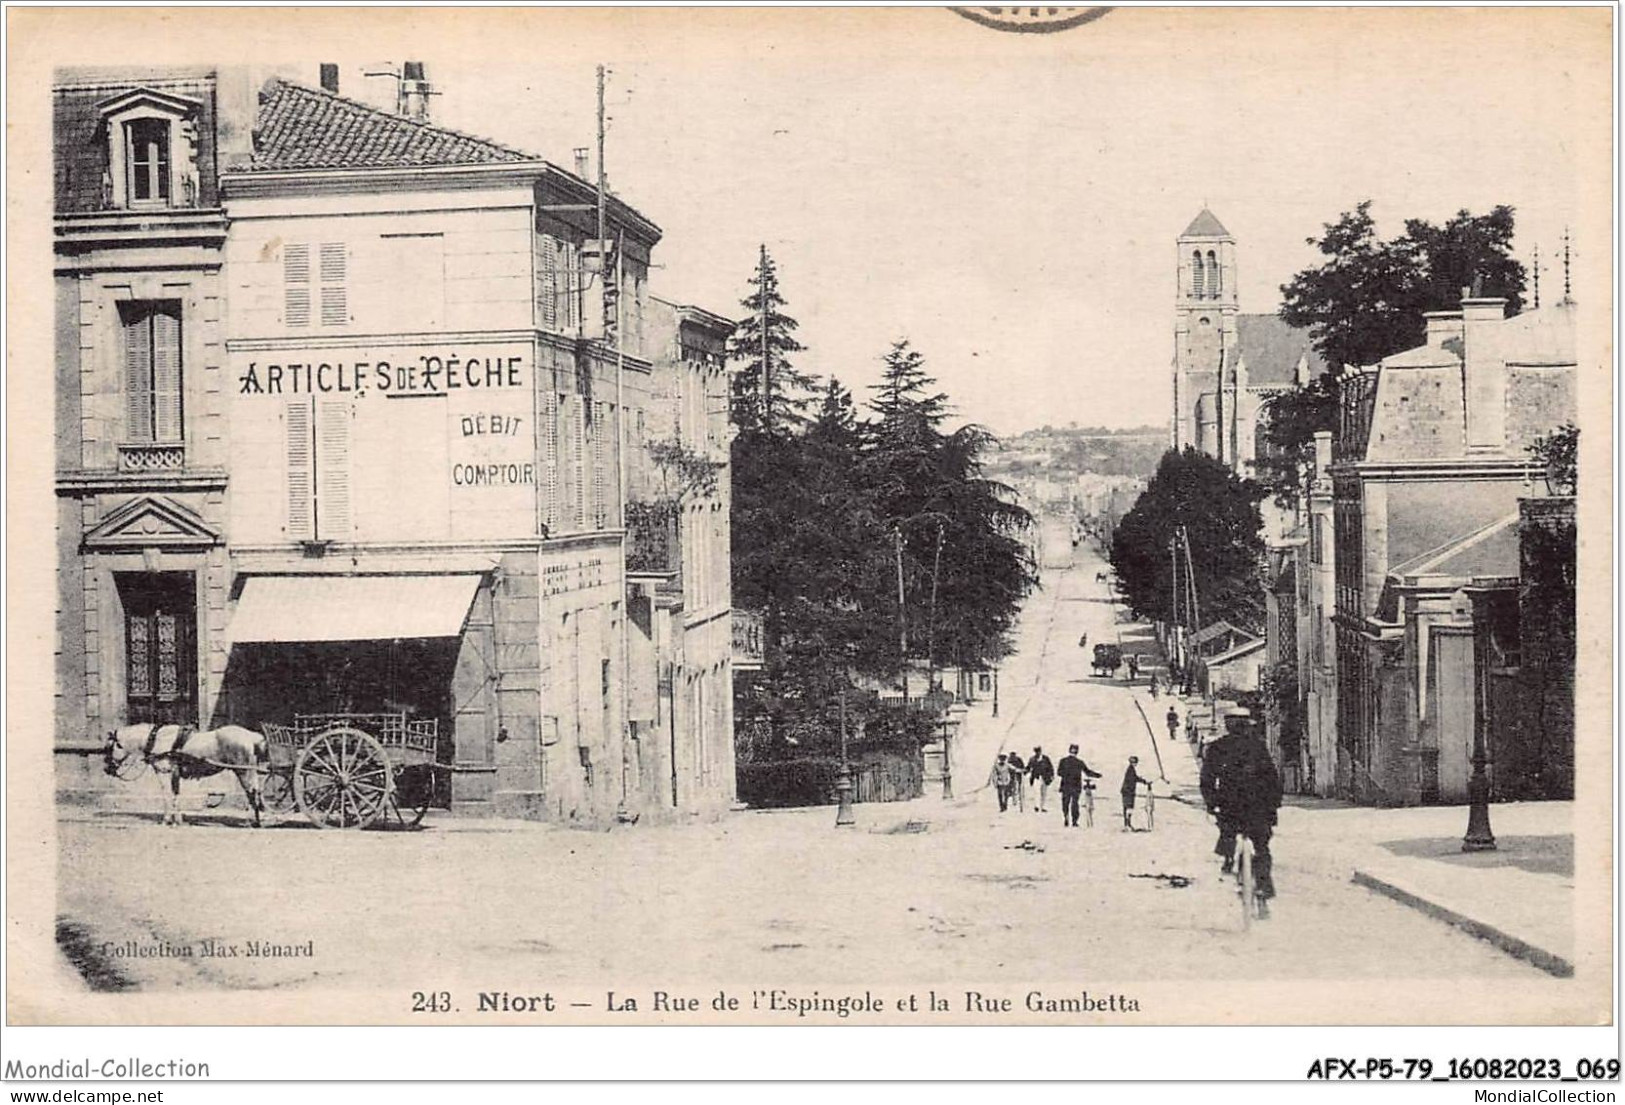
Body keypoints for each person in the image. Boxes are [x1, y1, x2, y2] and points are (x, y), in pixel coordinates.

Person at [1199, 714, 1284, 914]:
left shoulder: (1218, 747)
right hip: (1258, 807)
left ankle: (1229, 861)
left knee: (1228, 834)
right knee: (1262, 848)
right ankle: (1263, 888)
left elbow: (1207, 780)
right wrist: (1274, 804)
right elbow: (1272, 778)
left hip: (1230, 807)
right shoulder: (1258, 746)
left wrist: (1212, 804)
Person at [1056, 744, 1102, 828]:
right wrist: (1097, 775)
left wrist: (1066, 775)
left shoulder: (1063, 761)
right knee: (1075, 804)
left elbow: (1059, 773)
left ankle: (1066, 817)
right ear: (1077, 752)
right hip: (1076, 786)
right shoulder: (1079, 762)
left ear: (1069, 750)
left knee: (1065, 803)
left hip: (1065, 785)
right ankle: (1074, 821)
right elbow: (1087, 772)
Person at [1120, 756, 1152, 831]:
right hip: (1128, 792)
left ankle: (1127, 824)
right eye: (1135, 762)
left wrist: (1143, 781)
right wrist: (1144, 781)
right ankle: (1127, 824)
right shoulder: (1130, 770)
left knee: (1127, 808)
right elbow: (1134, 778)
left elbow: (1135, 778)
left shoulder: (1130, 769)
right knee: (1128, 807)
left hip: (1127, 791)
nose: (1135, 764)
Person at [1027, 746, 1055, 813]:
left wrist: (1051, 776)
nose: (1037, 753)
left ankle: (1043, 807)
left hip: (1045, 778)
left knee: (1044, 793)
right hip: (1036, 777)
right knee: (1037, 792)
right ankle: (1037, 806)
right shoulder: (1032, 759)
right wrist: (1024, 771)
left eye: (1038, 751)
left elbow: (1050, 768)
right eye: (1036, 751)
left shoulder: (1046, 759)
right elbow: (1028, 767)